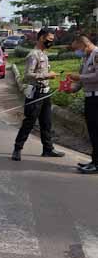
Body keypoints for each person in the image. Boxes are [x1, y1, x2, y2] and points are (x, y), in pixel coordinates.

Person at [11, 29, 65, 161]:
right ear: (41, 38)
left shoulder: (43, 54)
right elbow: (28, 75)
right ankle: (17, 149)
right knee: (29, 122)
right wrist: (47, 75)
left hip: (45, 94)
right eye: (49, 40)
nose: (50, 42)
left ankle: (48, 149)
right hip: (36, 94)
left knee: (46, 123)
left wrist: (49, 75)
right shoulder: (33, 55)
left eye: (52, 40)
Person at [68, 34, 98, 173]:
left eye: (77, 48)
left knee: (96, 132)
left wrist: (79, 77)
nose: (77, 51)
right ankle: (94, 161)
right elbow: (82, 80)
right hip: (89, 98)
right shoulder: (86, 57)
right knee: (92, 132)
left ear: (84, 44)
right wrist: (72, 89)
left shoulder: (96, 55)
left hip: (96, 99)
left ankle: (97, 165)